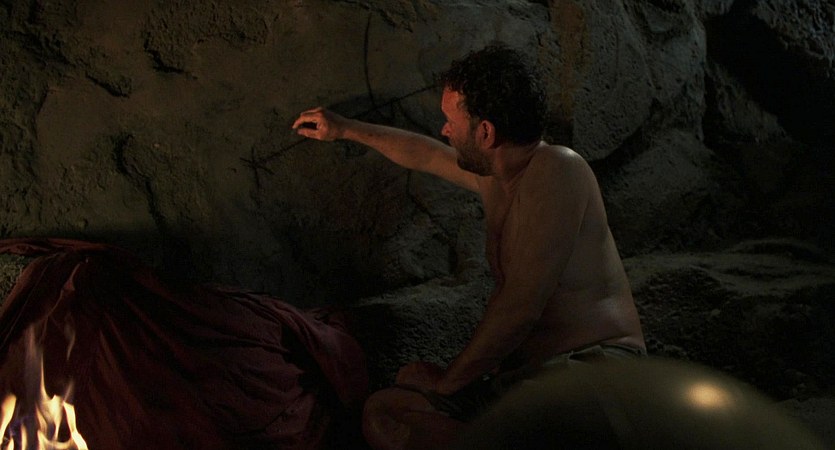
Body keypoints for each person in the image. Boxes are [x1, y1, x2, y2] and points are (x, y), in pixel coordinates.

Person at [292, 43, 645, 450]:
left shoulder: (558, 170)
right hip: (527, 378)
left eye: (451, 122)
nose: (445, 131)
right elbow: (425, 154)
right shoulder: (496, 175)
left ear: (485, 132)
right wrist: (344, 129)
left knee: (414, 413)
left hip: (593, 372)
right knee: (387, 411)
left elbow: (520, 307)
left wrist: (450, 383)